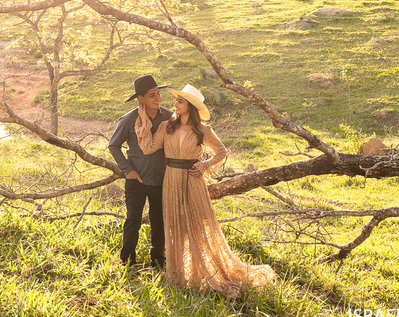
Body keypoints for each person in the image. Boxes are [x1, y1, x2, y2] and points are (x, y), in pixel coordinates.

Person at [134, 84, 275, 297]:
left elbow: (221, 151)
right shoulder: (166, 126)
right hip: (171, 179)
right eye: (177, 101)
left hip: (193, 181)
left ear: (190, 107)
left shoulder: (204, 130)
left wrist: (204, 165)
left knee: (197, 224)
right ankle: (178, 274)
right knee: (174, 225)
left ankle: (202, 271)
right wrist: (144, 122)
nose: (175, 104)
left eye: (180, 101)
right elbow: (148, 148)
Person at [108, 74, 174, 268]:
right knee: (133, 220)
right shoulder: (129, 120)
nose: (158, 98)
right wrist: (127, 169)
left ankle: (158, 261)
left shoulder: (170, 117)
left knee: (159, 222)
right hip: (136, 179)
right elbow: (113, 145)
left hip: (161, 179)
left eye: (159, 94)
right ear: (141, 98)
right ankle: (127, 260)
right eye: (152, 95)